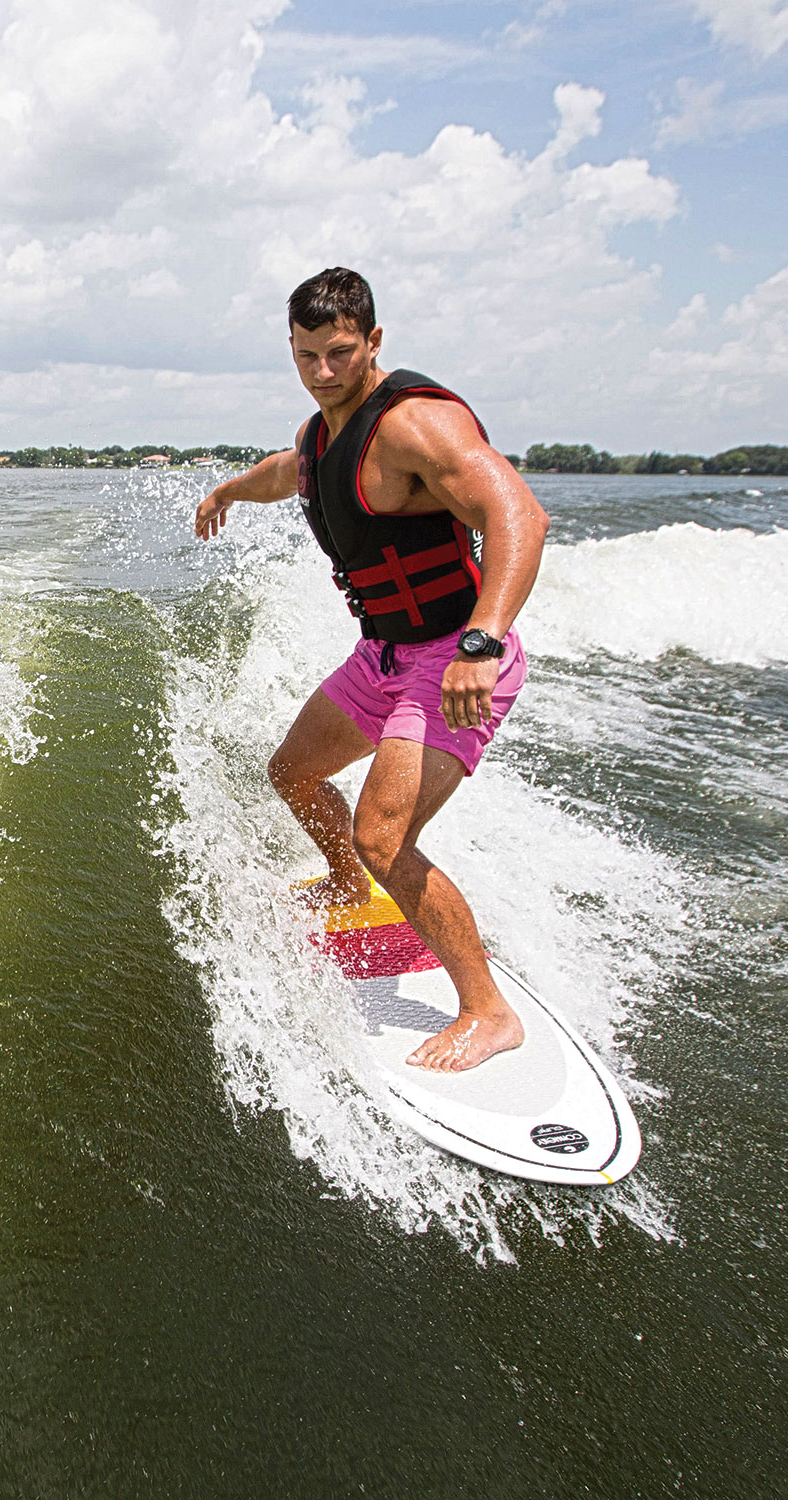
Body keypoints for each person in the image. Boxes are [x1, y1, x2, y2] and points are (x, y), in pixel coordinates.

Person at [192, 267, 550, 1073]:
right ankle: (350, 887)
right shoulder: (321, 436)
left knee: (384, 833)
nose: (325, 371)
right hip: (382, 657)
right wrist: (226, 492)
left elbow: (520, 513)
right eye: (307, 355)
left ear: (375, 342)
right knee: (293, 773)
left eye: (342, 353)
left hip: (456, 658)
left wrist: (483, 641)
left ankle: (489, 1013)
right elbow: (287, 474)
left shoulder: (416, 425)